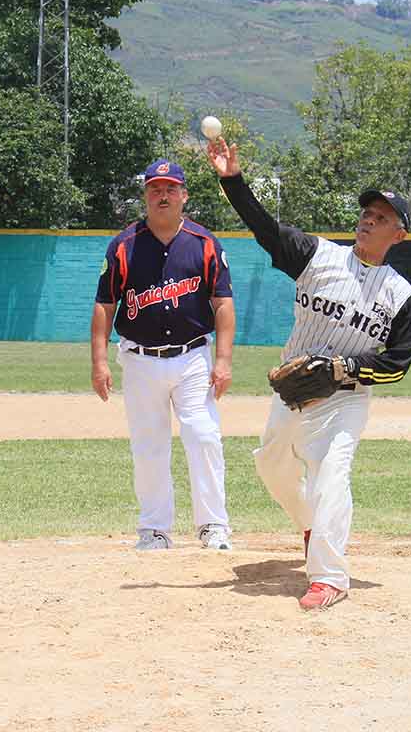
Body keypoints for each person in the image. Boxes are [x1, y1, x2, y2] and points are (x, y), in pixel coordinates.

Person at [206, 138, 411, 611]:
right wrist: (232, 180)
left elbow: (397, 364)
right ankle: (310, 525)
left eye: (382, 217)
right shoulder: (318, 257)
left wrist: (345, 369)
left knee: (331, 474)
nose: (369, 219)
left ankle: (329, 576)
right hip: (294, 389)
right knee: (270, 463)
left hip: (345, 399)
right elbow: (265, 229)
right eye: (368, 211)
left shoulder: (400, 295)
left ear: (399, 235)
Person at [91, 158, 236, 551]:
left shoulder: (205, 243)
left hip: (192, 357)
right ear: (146, 196)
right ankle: (154, 529)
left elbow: (222, 303)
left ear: (184, 196)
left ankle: (212, 526)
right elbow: (105, 305)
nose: (163, 195)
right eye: (155, 188)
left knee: (203, 436)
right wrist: (100, 362)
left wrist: (223, 361)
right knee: (148, 444)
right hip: (139, 358)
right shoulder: (123, 246)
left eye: (171, 188)